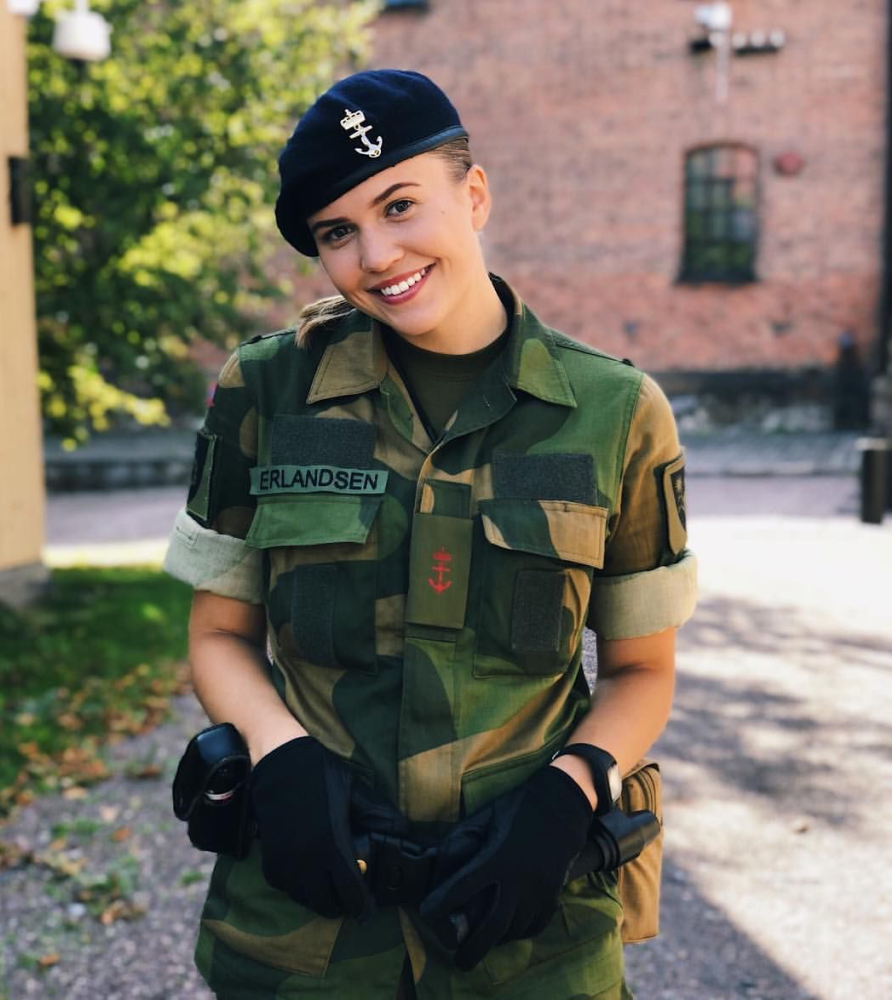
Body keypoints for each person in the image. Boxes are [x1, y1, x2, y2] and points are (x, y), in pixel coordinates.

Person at [164, 68, 697, 1000]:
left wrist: (570, 789)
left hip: (525, 925)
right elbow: (218, 635)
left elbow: (643, 669)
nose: (377, 255)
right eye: (338, 232)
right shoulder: (269, 391)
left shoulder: (615, 412)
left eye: (400, 205)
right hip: (308, 923)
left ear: (474, 194)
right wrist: (279, 753)